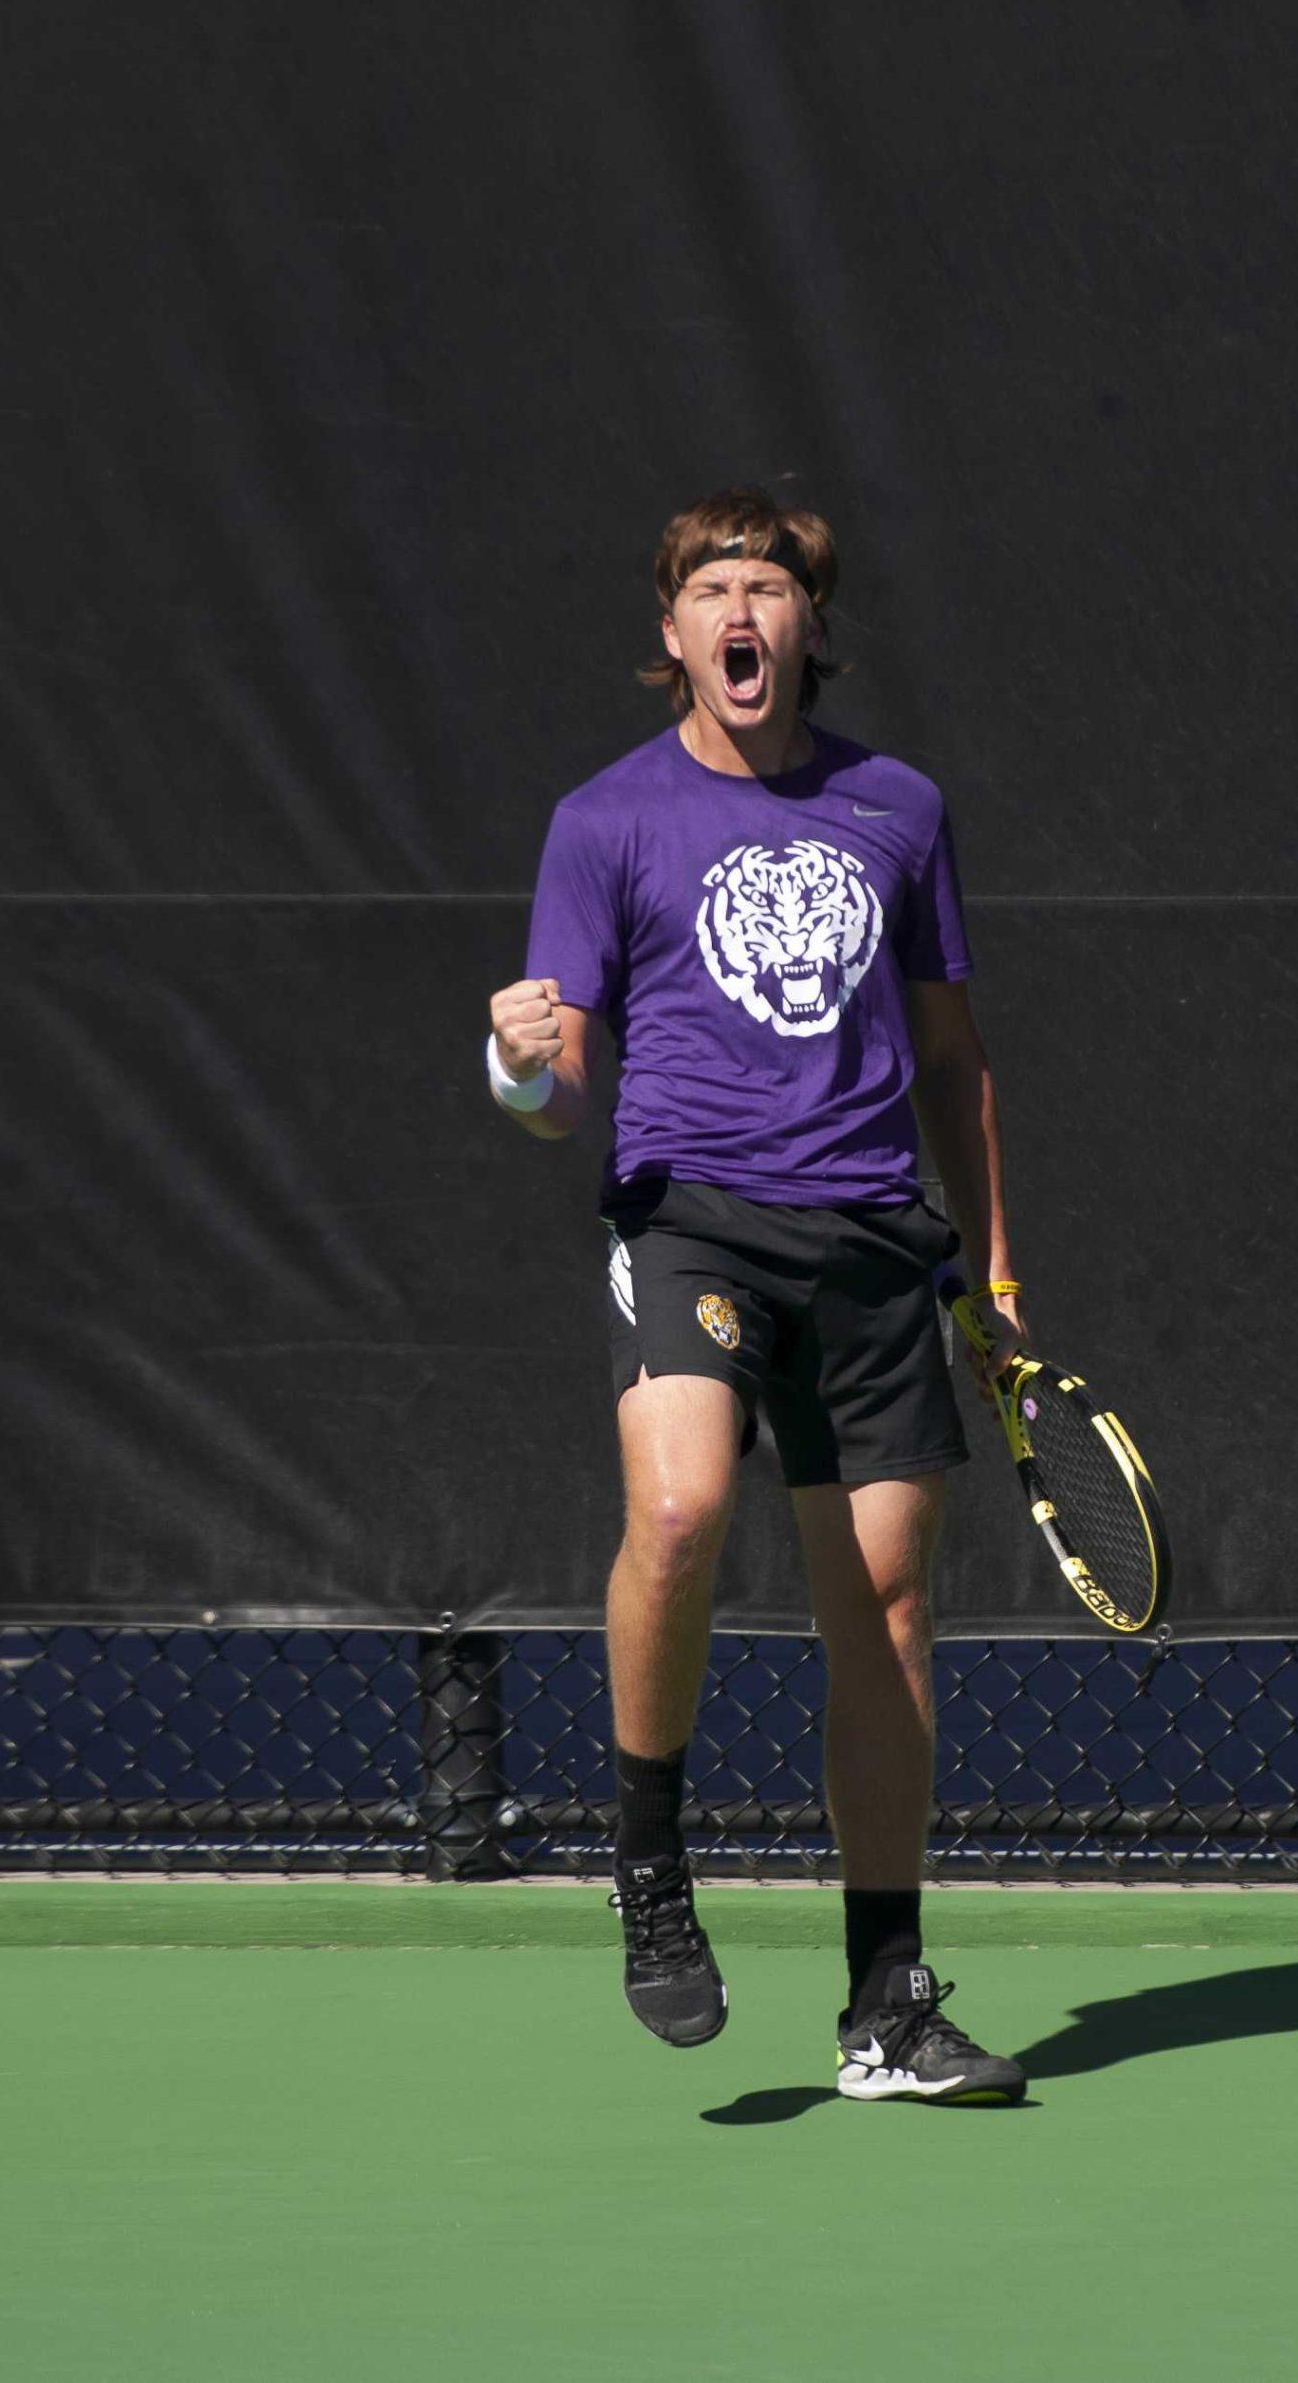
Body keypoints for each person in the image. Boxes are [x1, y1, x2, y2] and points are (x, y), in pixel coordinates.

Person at [483, 486, 1028, 2104]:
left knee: (891, 1612)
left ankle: (886, 2008)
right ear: (674, 636)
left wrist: (992, 1267)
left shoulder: (901, 811)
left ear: (805, 630)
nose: (742, 611)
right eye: (712, 588)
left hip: (871, 1243)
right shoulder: (603, 825)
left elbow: (950, 1057)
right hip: (691, 1225)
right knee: (677, 1511)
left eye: (769, 588)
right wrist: (519, 1075)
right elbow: (564, 1081)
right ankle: (651, 1872)